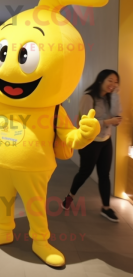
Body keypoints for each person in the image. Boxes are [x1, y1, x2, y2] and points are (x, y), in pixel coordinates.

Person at [61, 69, 122, 222]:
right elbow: (84, 124)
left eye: (116, 82)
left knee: (104, 175)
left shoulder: (109, 98)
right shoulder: (88, 98)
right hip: (90, 143)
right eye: (110, 80)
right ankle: (69, 197)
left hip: (106, 141)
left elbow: (116, 114)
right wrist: (108, 122)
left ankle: (106, 207)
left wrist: (115, 96)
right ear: (101, 80)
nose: (113, 84)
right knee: (85, 172)